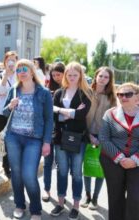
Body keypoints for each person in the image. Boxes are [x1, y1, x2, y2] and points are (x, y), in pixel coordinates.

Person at [3, 59, 53, 220]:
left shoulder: (43, 93)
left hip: (34, 139)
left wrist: (46, 142)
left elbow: (49, 120)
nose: (21, 72)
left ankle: (36, 210)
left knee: (29, 175)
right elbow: (4, 113)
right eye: (18, 70)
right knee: (16, 174)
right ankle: (19, 204)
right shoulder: (14, 90)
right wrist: (10, 106)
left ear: (32, 71)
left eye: (25, 69)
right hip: (13, 137)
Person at [50, 62, 92, 220]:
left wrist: (61, 111)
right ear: (65, 75)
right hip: (61, 137)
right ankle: (60, 203)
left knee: (76, 173)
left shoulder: (85, 94)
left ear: (80, 75)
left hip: (78, 138)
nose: (72, 77)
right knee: (61, 171)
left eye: (75, 74)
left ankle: (75, 206)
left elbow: (81, 115)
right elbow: (53, 115)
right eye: (70, 74)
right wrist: (70, 112)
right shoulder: (59, 93)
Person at [99, 83, 139, 220]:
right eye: (120, 94)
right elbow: (103, 138)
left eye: (128, 94)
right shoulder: (110, 113)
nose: (123, 97)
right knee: (115, 197)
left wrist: (135, 160)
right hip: (112, 160)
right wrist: (119, 158)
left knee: (137, 198)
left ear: (137, 97)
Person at [81, 67, 117, 210]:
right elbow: (81, 115)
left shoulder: (112, 97)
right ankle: (87, 195)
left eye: (106, 77)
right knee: (88, 165)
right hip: (86, 134)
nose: (102, 79)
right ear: (95, 76)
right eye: (100, 76)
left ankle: (95, 198)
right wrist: (88, 135)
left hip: (104, 137)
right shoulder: (87, 93)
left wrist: (101, 138)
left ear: (110, 80)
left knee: (100, 168)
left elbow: (113, 120)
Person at [0, 51, 18, 178]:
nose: (11, 62)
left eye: (13, 60)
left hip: (13, 113)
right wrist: (6, 75)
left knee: (9, 141)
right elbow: (0, 92)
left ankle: (6, 167)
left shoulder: (19, 75)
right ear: (5, 62)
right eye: (9, 60)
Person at [42, 62, 65, 202]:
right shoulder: (48, 89)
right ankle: (46, 189)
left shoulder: (68, 89)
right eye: (54, 75)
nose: (56, 77)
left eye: (59, 74)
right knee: (47, 162)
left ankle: (60, 193)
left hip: (63, 132)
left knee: (61, 165)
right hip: (49, 130)